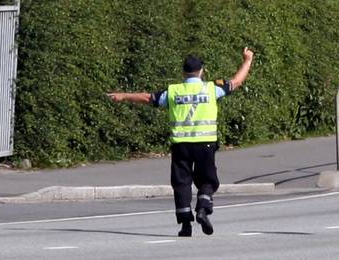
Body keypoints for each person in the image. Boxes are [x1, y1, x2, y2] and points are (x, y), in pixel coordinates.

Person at [109, 48, 254, 237]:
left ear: (183, 73)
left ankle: (186, 225)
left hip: (181, 145)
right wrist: (247, 60)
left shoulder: (173, 91)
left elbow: (148, 98)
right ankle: (203, 207)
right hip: (205, 143)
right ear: (202, 71)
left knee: (181, 183)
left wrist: (123, 96)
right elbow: (236, 82)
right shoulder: (211, 88)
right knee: (208, 180)